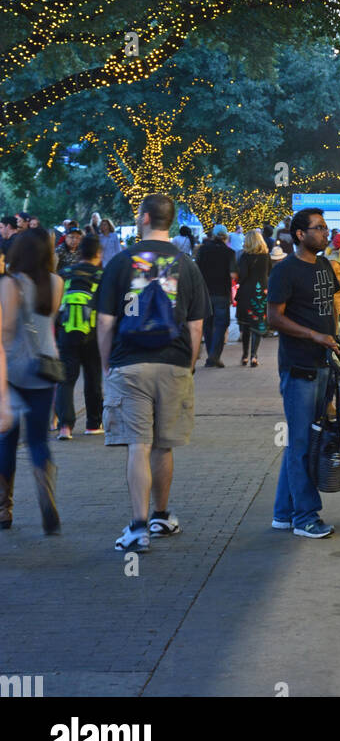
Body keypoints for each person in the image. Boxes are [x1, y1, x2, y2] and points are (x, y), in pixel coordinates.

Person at [96, 192, 208, 552]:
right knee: (163, 444)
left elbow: (105, 321)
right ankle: (161, 515)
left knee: (138, 445)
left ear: (144, 218)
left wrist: (106, 364)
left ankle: (138, 527)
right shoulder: (187, 264)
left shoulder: (120, 262)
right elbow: (196, 325)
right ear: (169, 220)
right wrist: (188, 364)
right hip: (174, 363)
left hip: (129, 363)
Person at [268, 207, 340, 539]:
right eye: (319, 228)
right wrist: (314, 335)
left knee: (304, 441)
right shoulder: (285, 271)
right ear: (300, 234)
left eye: (326, 228)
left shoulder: (324, 265)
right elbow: (274, 318)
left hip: (323, 364)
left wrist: (336, 336)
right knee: (301, 443)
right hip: (300, 368)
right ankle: (305, 518)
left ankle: (284, 513)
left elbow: (329, 309)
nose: (325, 233)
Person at [0, 227, 64, 533]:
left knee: (6, 439)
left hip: (13, 369)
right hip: (46, 368)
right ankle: (44, 484)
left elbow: (6, 329)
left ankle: (4, 507)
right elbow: (49, 318)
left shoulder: (10, 283)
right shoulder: (56, 281)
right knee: (39, 439)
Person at [56, 232, 104, 439]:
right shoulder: (102, 276)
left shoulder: (65, 273)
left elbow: (56, 306)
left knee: (66, 380)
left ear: (80, 252)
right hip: (93, 334)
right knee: (93, 379)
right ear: (98, 253)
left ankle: (65, 427)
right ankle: (93, 424)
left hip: (66, 332)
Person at [195, 225, 237, 367]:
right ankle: (214, 355)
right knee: (221, 324)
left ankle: (211, 355)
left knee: (207, 324)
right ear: (225, 237)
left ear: (213, 235)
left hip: (204, 293)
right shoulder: (229, 252)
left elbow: (196, 271)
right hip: (221, 293)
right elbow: (233, 274)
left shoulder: (202, 250)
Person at [236, 229, 270, 367]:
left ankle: (245, 355)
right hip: (261, 294)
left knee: (246, 325)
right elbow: (269, 273)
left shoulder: (244, 257)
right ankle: (254, 356)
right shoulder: (266, 256)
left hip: (246, 293)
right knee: (257, 323)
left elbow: (242, 276)